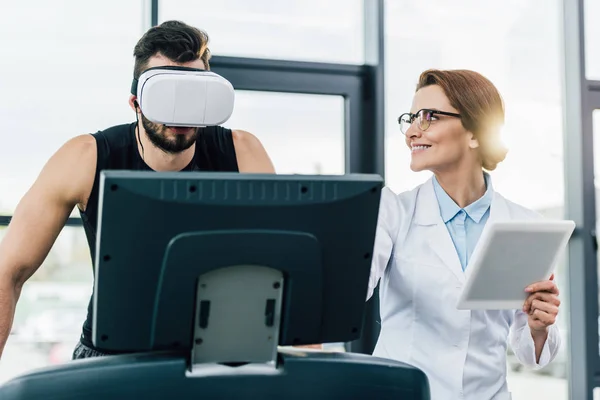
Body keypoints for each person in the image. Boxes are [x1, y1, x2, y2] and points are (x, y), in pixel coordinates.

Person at [0, 20, 275, 360]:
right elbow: (7, 271)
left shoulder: (242, 153)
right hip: (110, 354)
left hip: (213, 354)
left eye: (191, 96)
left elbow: (283, 271)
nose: (180, 113)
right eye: (166, 95)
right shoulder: (85, 158)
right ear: (136, 102)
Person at [367, 69, 561, 400]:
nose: (412, 132)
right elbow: (349, 293)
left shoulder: (524, 223)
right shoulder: (391, 212)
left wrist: (540, 328)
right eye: (411, 118)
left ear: (475, 132)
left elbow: (530, 355)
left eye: (428, 117)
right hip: (400, 394)